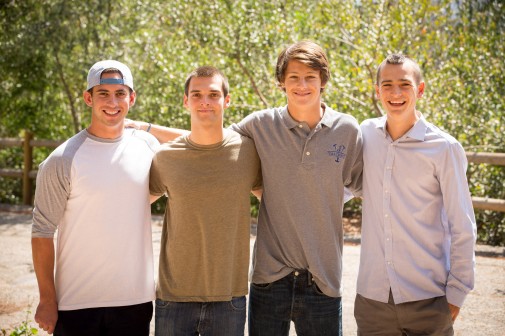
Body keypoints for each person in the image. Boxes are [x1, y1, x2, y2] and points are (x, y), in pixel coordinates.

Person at [31, 60, 158, 335]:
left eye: (120, 93)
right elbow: (42, 232)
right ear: (88, 98)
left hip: (135, 301)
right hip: (76, 304)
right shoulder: (62, 159)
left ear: (131, 98)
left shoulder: (148, 146)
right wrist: (47, 299)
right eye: (103, 93)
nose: (112, 102)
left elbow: (199, 144)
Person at [353, 54, 476, 335]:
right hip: (372, 300)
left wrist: (456, 295)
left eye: (404, 85)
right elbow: (341, 187)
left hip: (428, 299)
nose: (395, 93)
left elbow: (463, 226)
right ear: (377, 91)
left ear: (419, 90)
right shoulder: (364, 135)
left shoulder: (444, 148)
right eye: (387, 85)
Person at [149, 66, 261, 335]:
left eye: (213, 94)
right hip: (173, 297)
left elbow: (277, 200)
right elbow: (133, 206)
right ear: (186, 101)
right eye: (196, 95)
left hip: (229, 297)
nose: (205, 102)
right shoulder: (165, 157)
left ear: (227, 100)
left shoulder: (249, 153)